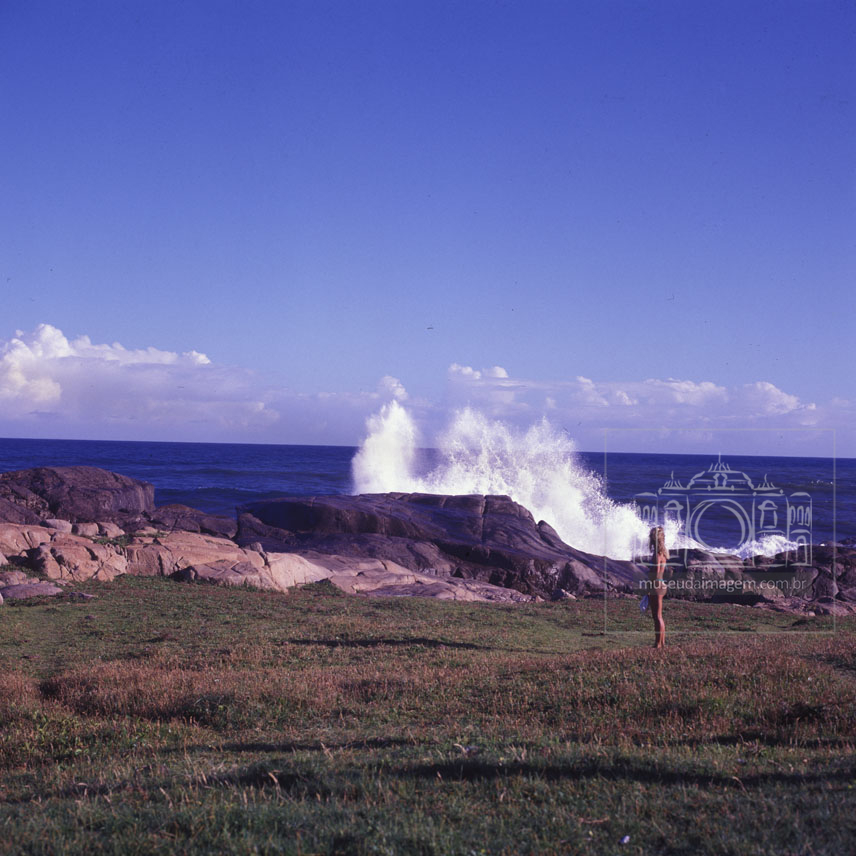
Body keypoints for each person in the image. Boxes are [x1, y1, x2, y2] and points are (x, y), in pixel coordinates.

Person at [647, 526, 668, 648]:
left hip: (656, 586)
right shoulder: (663, 554)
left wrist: (648, 589)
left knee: (657, 617)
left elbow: (654, 574)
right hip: (662, 584)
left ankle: (658, 643)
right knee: (659, 616)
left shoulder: (656, 555)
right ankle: (662, 642)